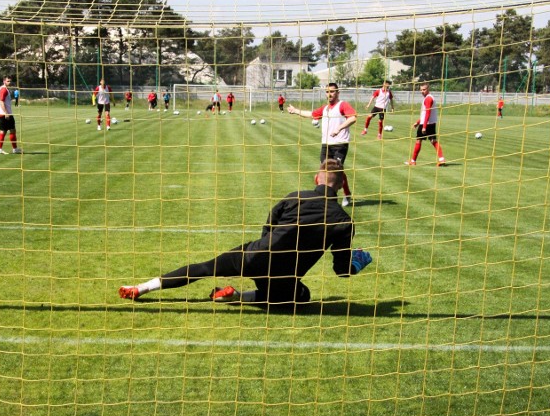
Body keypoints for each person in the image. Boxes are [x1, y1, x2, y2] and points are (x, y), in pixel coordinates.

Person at [118, 159, 372, 305]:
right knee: (300, 296)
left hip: (256, 257)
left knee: (205, 268)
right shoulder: (344, 222)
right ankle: (239, 297)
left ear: (316, 179)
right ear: (341, 186)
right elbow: (341, 271)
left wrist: (262, 251)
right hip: (284, 275)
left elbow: (268, 227)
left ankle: (141, 288)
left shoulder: (294, 197)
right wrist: (359, 262)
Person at [287, 83, 356, 207]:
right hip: (326, 145)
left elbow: (353, 118)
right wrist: (295, 111)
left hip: (340, 144)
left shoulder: (342, 105)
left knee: (337, 171)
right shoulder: (325, 109)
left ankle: (346, 194)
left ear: (338, 92)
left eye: (332, 91)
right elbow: (312, 114)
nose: (329, 94)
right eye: (327, 92)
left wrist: (339, 129)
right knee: (323, 171)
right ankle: (322, 198)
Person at [405, 83, 445, 167]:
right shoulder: (430, 98)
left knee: (418, 141)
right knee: (433, 141)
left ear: (428, 89)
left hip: (426, 124)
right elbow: (424, 114)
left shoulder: (428, 99)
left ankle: (413, 161)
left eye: (424, 89)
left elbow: (428, 113)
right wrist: (417, 122)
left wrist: (423, 126)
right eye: (421, 90)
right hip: (431, 123)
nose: (422, 91)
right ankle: (442, 159)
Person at [0, 75, 22, 155]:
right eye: (7, 81)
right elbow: (1, 102)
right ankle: (0, 149)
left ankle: (13, 149)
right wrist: (6, 113)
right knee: (4, 131)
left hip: (5, 113)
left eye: (10, 81)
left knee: (11, 130)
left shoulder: (4, 89)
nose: (9, 82)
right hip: (5, 114)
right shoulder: (4, 90)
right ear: (4, 81)